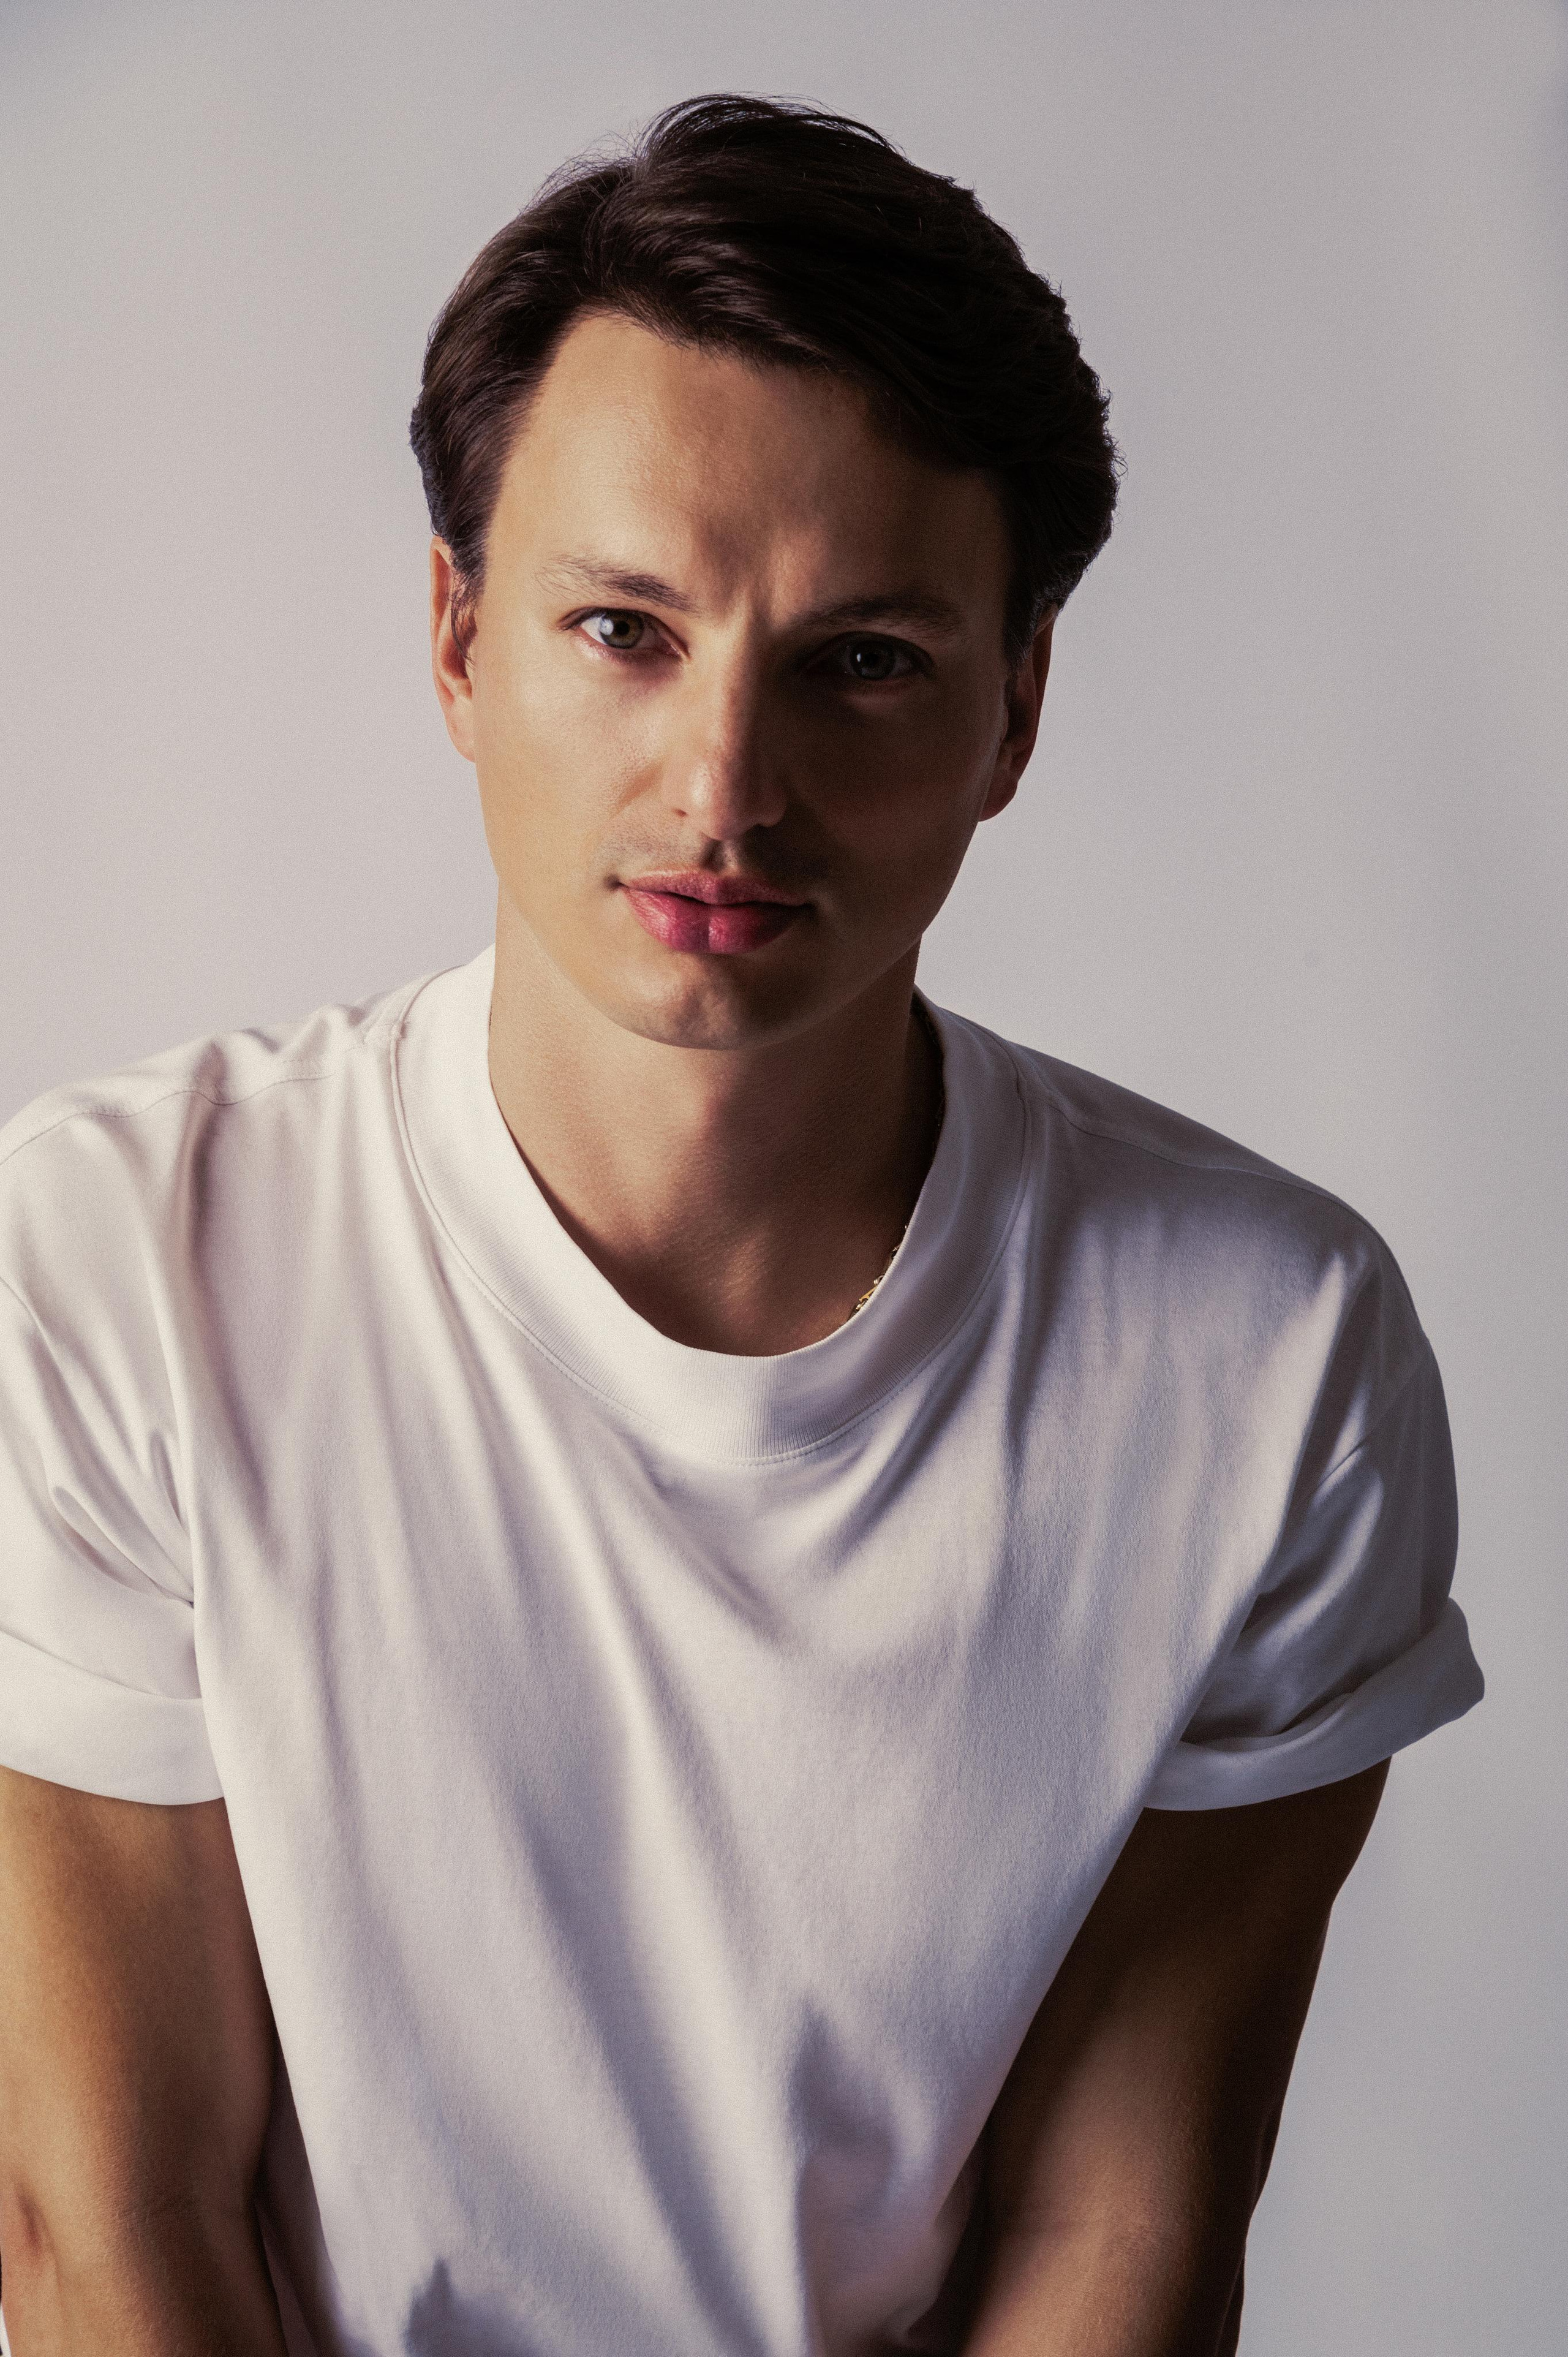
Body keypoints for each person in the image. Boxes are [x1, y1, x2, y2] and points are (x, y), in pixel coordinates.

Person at [0, 93, 1481, 2357]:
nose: (726, 786)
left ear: (1017, 709)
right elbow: (108, 2236)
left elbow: (1122, 2237)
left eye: (865, 659)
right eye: (622, 629)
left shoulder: (1268, 1355)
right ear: (455, 636)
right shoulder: (125, 1260)